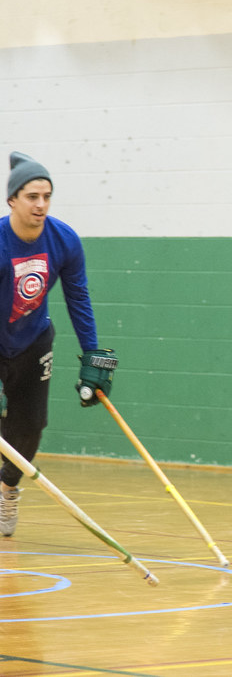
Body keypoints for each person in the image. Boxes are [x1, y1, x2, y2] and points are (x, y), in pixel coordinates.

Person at [0, 152, 118, 536]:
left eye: (47, 196)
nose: (41, 205)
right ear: (12, 199)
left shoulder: (64, 240)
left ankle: (7, 488)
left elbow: (78, 298)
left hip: (33, 341)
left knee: (30, 427)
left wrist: (92, 355)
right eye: (32, 196)